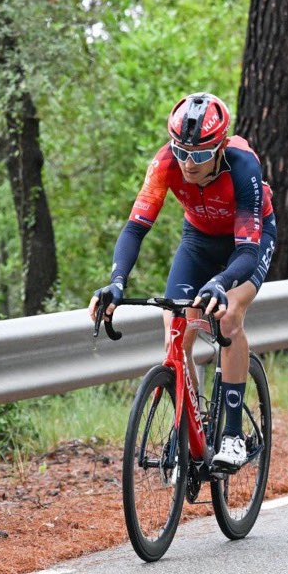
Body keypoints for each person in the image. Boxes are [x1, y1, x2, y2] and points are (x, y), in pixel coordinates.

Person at [88, 92, 277, 468]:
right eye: (181, 151)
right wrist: (116, 283)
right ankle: (189, 425)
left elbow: (246, 252)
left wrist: (221, 283)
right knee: (175, 325)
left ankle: (233, 435)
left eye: (201, 155)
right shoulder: (164, 164)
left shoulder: (243, 167)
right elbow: (134, 229)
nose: (189, 163)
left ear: (221, 147)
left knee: (227, 317)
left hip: (247, 243)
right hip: (198, 239)